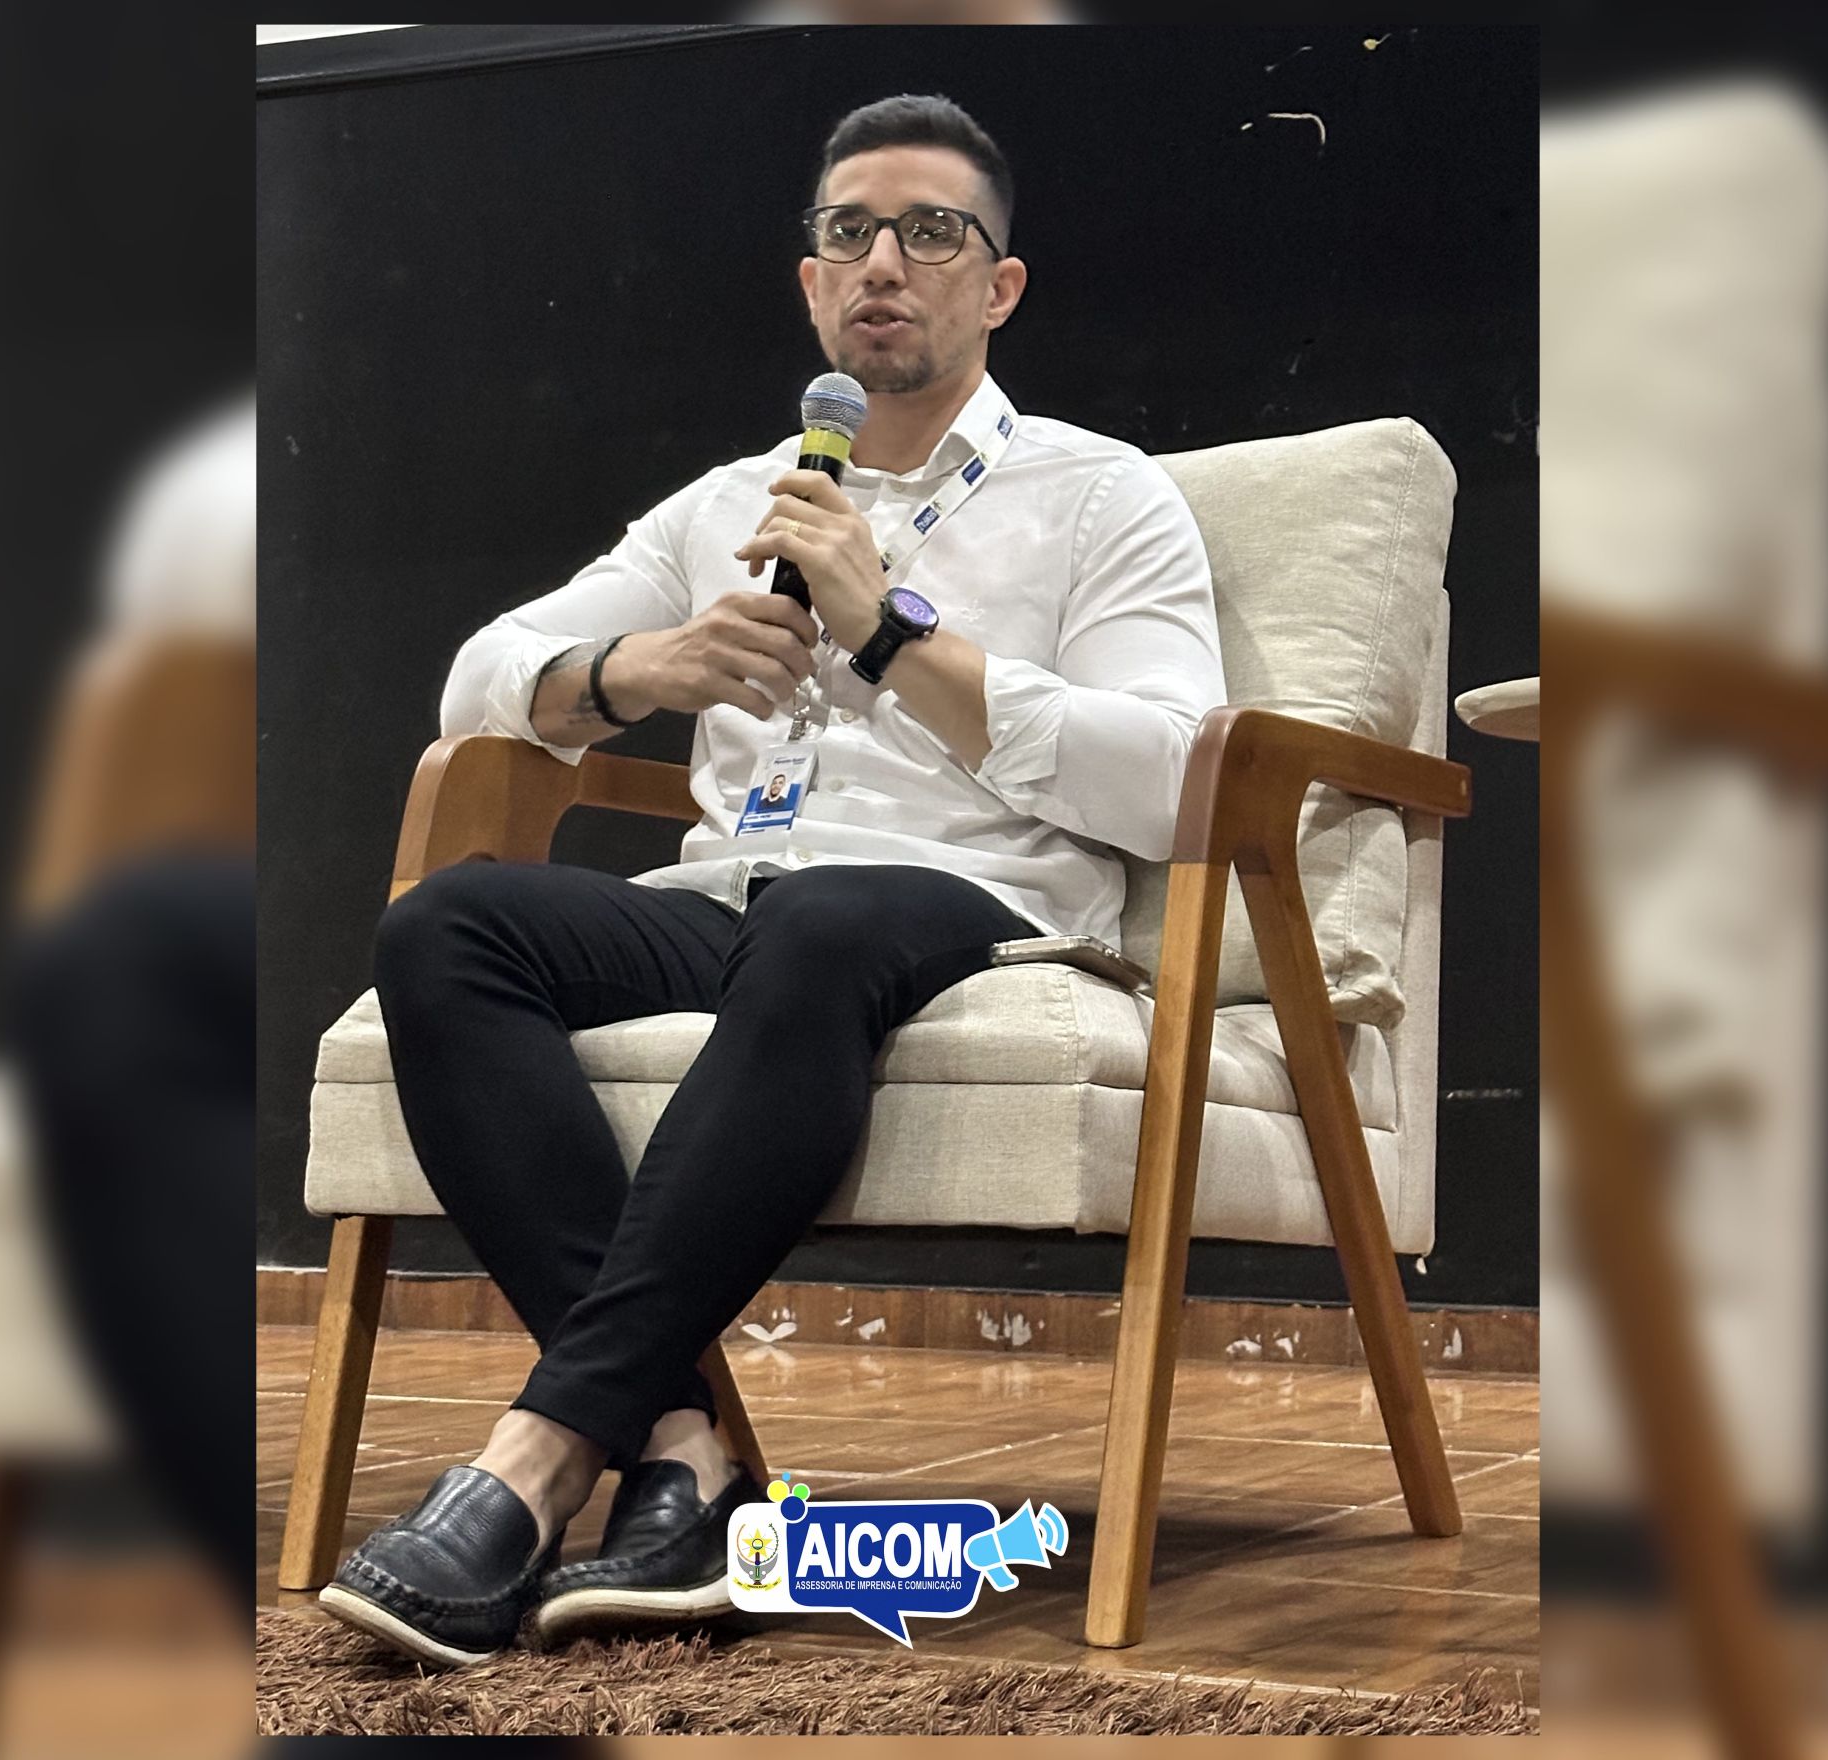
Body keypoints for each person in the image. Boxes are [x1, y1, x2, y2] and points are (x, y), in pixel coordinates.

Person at [320, 93, 1226, 1665]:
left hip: (969, 906)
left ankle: (538, 1455)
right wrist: (639, 669)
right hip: (731, 902)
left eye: (931, 232)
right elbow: (480, 675)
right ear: (811, 286)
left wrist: (892, 632)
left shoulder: (1104, 497)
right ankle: (682, 1451)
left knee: (825, 916)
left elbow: (1166, 775)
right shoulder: (722, 504)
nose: (884, 263)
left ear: (998, 286)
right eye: (848, 234)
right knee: (449, 924)